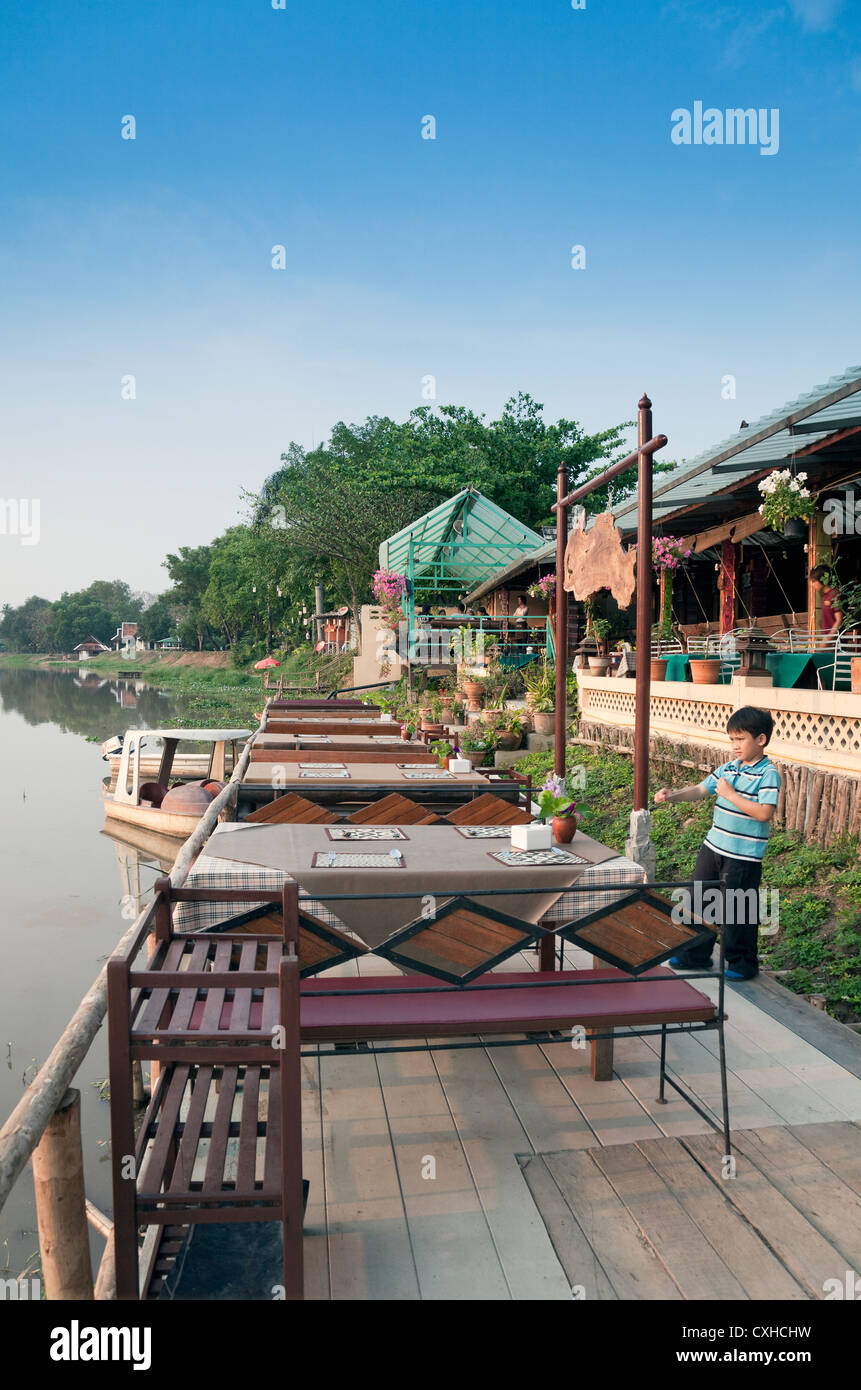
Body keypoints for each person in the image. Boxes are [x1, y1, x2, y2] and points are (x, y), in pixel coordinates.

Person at [654, 706, 781, 981]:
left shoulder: (769, 774)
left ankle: (742, 963)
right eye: (732, 739)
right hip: (713, 847)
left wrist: (731, 794)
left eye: (741, 739)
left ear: (760, 740)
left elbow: (764, 813)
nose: (735, 746)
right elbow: (701, 789)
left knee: (738, 908)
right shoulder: (729, 768)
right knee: (697, 899)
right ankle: (694, 954)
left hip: (743, 856)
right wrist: (672, 795)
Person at [810, 565, 842, 635]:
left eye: (814, 581)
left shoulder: (834, 594)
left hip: (835, 641)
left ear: (822, 580)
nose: (812, 584)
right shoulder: (825, 595)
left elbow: (839, 620)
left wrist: (827, 639)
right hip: (828, 640)